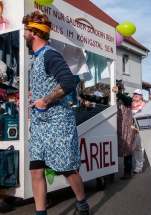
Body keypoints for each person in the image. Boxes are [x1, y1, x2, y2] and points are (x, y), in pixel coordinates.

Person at [22, 11, 89, 215]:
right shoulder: (35, 59)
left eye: (25, 30)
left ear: (34, 32)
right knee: (36, 169)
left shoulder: (50, 54)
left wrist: (45, 100)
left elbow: (68, 82)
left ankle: (82, 203)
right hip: (40, 123)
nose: (23, 34)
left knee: (66, 169)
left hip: (58, 122)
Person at [112, 84, 137, 180]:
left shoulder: (127, 99)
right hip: (114, 129)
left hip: (126, 129)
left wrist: (118, 93)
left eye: (119, 88)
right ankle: (110, 174)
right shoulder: (112, 100)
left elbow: (126, 100)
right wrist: (84, 95)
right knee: (112, 151)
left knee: (127, 151)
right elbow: (98, 100)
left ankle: (127, 172)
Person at [131, 89, 146, 173]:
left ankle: (139, 166)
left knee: (139, 148)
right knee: (133, 148)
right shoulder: (130, 105)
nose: (136, 95)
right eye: (134, 94)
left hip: (140, 129)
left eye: (138, 94)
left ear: (141, 96)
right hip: (131, 129)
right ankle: (139, 160)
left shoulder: (144, 105)